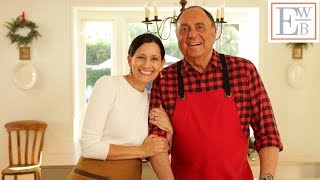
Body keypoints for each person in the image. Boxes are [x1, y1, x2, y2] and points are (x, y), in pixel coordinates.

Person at [148, 6, 283, 180]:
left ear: (214, 31)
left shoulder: (244, 71)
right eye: (184, 29)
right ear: (177, 37)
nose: (192, 34)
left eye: (200, 27)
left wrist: (267, 178)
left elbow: (268, 132)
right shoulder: (164, 79)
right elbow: (156, 143)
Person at [68, 33, 172, 180]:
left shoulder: (151, 102)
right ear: (130, 60)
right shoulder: (109, 85)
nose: (147, 65)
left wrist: (170, 129)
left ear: (162, 64)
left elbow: (158, 148)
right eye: (141, 57)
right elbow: (89, 146)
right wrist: (142, 150)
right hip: (92, 176)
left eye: (154, 59)